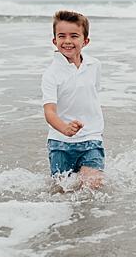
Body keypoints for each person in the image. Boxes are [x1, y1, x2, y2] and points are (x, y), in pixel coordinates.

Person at [40, 11, 105, 190]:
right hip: (60, 143)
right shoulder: (51, 75)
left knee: (91, 189)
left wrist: (97, 128)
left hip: (91, 138)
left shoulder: (94, 65)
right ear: (54, 41)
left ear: (85, 41)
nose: (67, 41)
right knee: (63, 192)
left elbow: (91, 96)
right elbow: (49, 111)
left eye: (74, 36)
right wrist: (65, 129)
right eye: (62, 36)